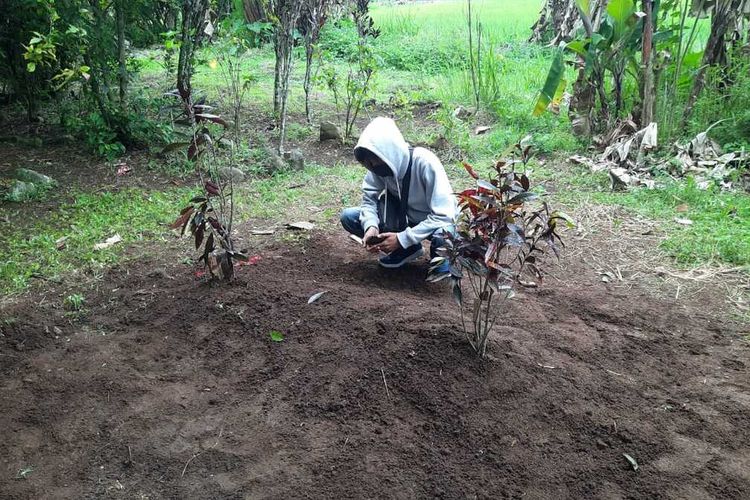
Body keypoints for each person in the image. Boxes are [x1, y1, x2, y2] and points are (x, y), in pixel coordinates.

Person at [340, 117, 456, 272]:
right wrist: (371, 227)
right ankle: (409, 249)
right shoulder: (377, 168)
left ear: (389, 152)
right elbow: (369, 200)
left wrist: (402, 239)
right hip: (403, 218)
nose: (372, 167)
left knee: (444, 235)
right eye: (368, 164)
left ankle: (440, 263)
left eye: (374, 161)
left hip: (433, 222)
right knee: (349, 217)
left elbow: (445, 215)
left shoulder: (425, 163)